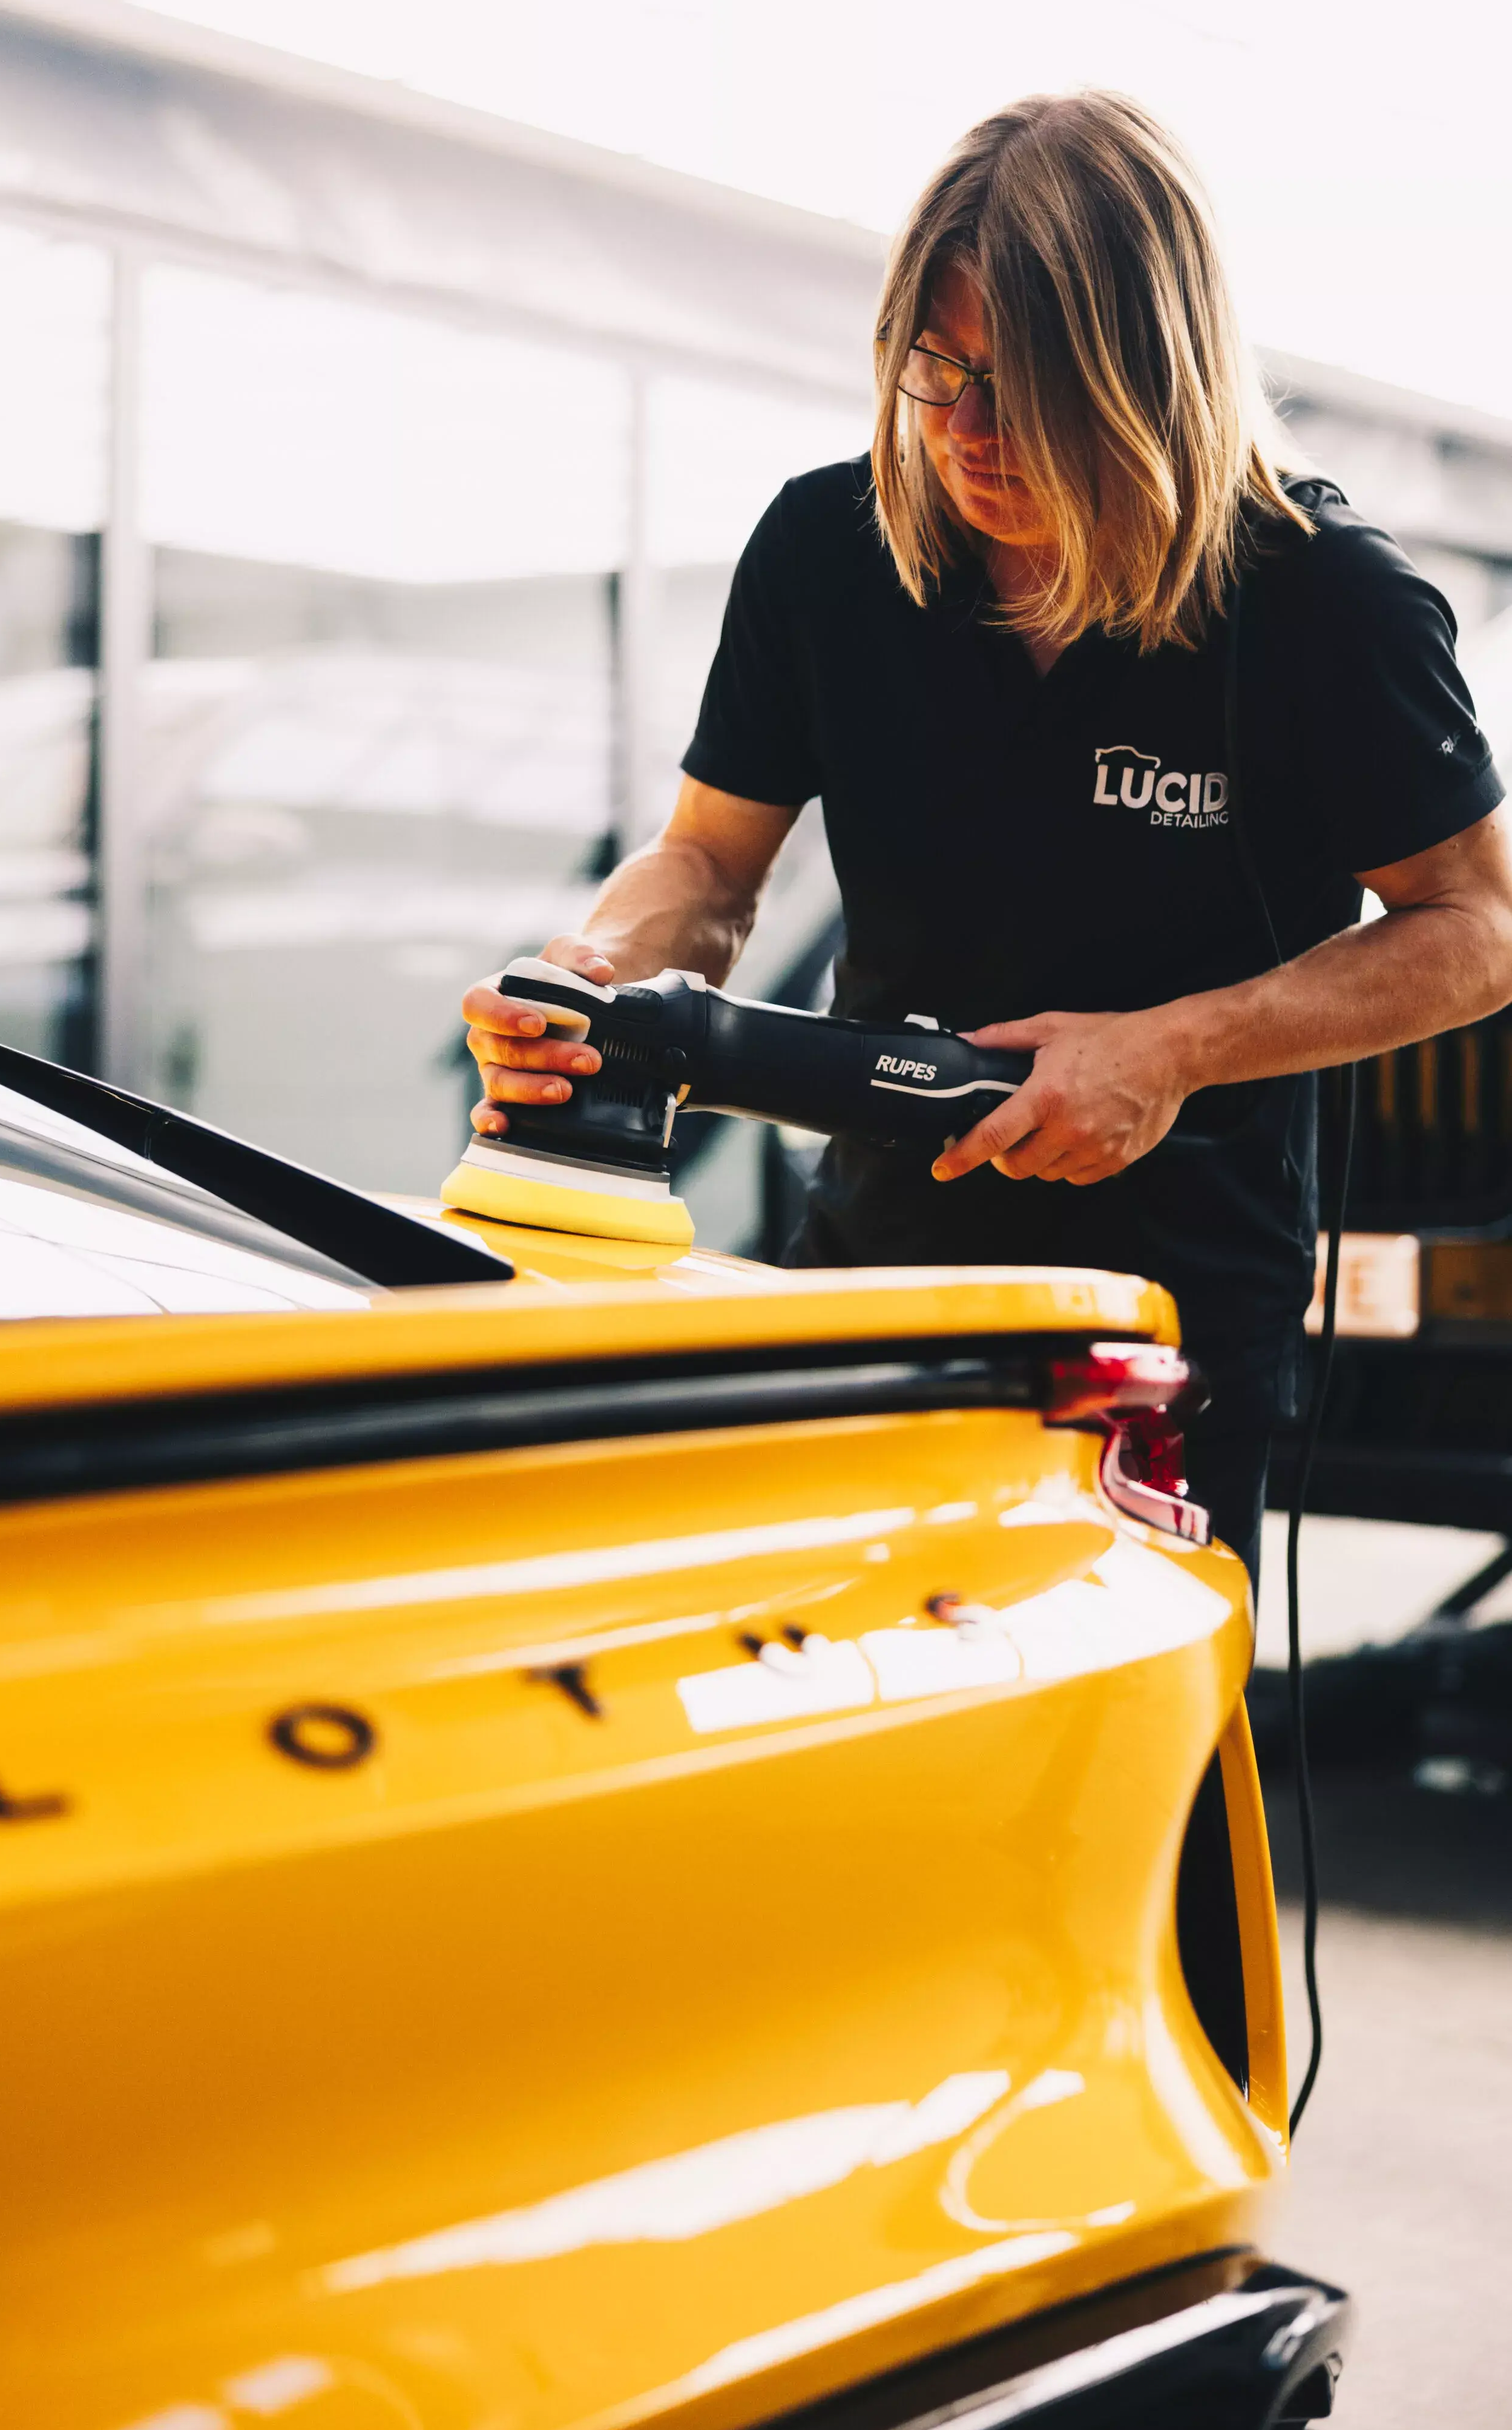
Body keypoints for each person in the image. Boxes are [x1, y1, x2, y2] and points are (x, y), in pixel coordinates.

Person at [461, 91, 1512, 1584]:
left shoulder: (1324, 601)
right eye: (934, 366)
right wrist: (597, 975)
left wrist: (1172, 1050)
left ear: (1148, 372)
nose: (964, 432)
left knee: (1117, 1717)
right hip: (869, 1272)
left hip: (1166, 1326)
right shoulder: (828, 550)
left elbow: (1479, 927)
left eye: (1023, 385)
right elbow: (705, 864)